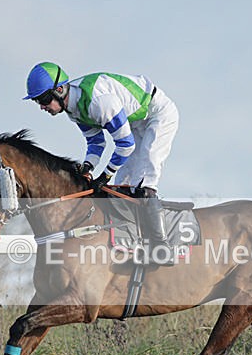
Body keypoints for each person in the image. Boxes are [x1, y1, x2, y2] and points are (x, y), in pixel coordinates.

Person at [23, 61, 179, 265]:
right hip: (135, 122)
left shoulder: (99, 102)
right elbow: (96, 143)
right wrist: (87, 167)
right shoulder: (73, 109)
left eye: (43, 99)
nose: (42, 107)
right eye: (37, 101)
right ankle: (135, 244)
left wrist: (105, 175)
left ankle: (162, 247)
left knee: (146, 182)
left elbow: (125, 145)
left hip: (158, 115)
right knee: (123, 187)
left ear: (59, 90)